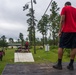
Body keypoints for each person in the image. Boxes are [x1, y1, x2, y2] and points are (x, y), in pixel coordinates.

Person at [53, 1, 76, 70]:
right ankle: (71, 65)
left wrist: (60, 31)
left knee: (61, 46)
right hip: (75, 31)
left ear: (65, 5)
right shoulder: (75, 10)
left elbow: (62, 20)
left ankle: (59, 64)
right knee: (74, 47)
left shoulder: (65, 8)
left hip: (66, 31)